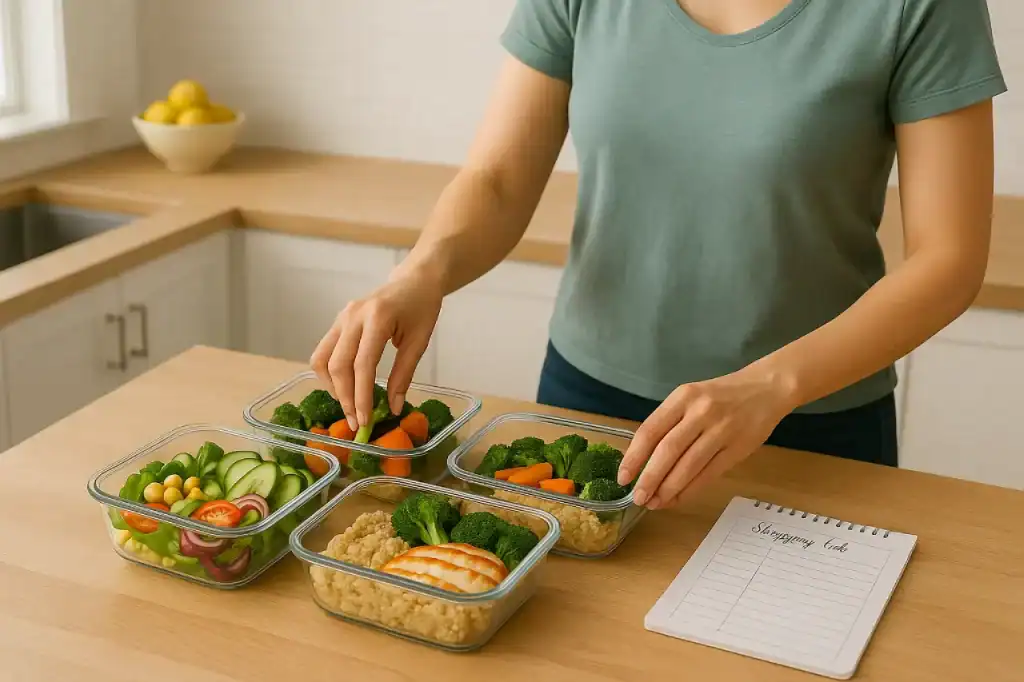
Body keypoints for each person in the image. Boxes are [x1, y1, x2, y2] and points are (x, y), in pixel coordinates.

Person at [312, 0, 1005, 510]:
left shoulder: (923, 8)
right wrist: (422, 272)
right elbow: (497, 179)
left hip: (808, 423)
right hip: (587, 408)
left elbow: (948, 261)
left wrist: (771, 386)